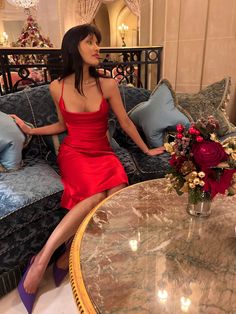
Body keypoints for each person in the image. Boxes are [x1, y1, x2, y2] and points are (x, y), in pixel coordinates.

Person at [12, 23, 165, 313]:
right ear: (74, 47)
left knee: (116, 200)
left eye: (98, 42)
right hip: (75, 154)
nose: (98, 48)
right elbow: (62, 125)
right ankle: (42, 259)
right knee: (94, 198)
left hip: (103, 155)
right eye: (90, 42)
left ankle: (72, 257)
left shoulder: (108, 83)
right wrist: (33, 130)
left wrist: (146, 149)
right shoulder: (56, 87)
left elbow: (125, 122)